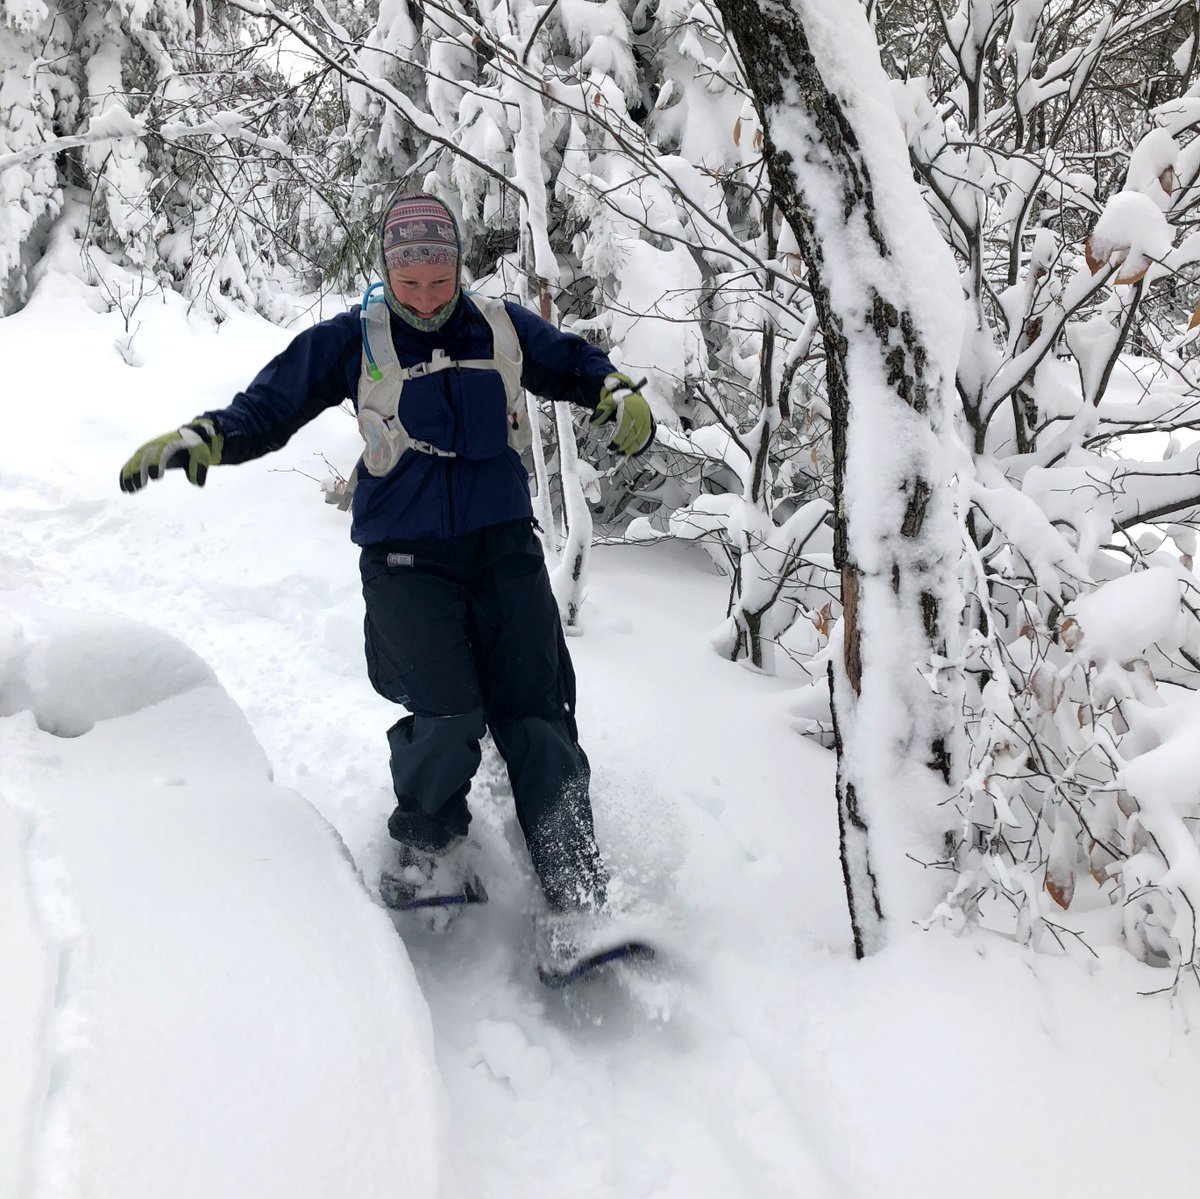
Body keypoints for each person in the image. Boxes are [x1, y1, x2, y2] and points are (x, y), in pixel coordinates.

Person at [118, 192, 655, 917]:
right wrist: (210, 435)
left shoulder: (498, 326)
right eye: (410, 283)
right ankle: (426, 848)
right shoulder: (356, 338)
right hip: (405, 557)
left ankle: (578, 889)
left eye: (439, 281)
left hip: (504, 548)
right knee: (449, 710)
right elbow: (272, 405)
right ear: (387, 271)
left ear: (458, 268)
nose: (427, 298)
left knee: (537, 710)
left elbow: (574, 365)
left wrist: (618, 392)